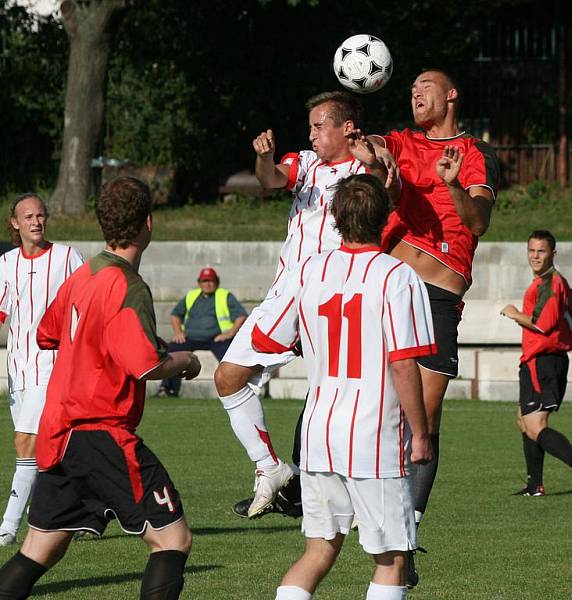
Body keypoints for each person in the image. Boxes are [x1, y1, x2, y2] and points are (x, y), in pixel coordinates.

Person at [0, 177, 202, 599]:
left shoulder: (85, 272)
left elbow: (46, 333)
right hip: (101, 432)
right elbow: (146, 366)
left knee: (40, 549)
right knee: (172, 540)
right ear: (149, 223)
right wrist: (185, 361)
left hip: (59, 434)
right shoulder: (127, 285)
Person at [253, 173, 434, 600]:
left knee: (318, 550)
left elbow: (267, 339)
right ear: (385, 216)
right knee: (391, 557)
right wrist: (422, 433)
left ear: (333, 216)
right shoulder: (397, 276)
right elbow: (405, 362)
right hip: (375, 435)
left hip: (320, 432)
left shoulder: (309, 269)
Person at [214, 91, 393, 518]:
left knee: (333, 399)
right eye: (310, 126)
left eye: (318, 126)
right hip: (288, 295)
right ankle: (275, 470)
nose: (311, 135)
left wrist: (374, 156)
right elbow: (271, 179)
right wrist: (266, 157)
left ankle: (321, 491)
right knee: (231, 378)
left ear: (346, 128)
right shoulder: (306, 164)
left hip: (330, 297)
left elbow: (388, 174)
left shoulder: (367, 168)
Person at [368, 68, 499, 585]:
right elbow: (379, 145)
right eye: (411, 88)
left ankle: (408, 530)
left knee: (425, 416)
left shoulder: (473, 153)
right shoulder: (403, 141)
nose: (415, 93)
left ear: (451, 94)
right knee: (381, 408)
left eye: (426, 86)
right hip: (391, 285)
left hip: (441, 293)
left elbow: (480, 222)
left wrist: (451, 185)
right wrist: (369, 148)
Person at [0, 193, 83, 547]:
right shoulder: (5, 262)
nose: (37, 221)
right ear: (15, 224)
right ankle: (85, 509)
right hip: (18, 369)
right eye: (28, 216)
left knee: (26, 443)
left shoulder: (67, 257)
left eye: (41, 215)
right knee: (55, 446)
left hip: (54, 365)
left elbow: (88, 302)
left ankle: (8, 527)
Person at [500, 230, 572, 498]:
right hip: (543, 360)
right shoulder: (559, 284)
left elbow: (542, 324)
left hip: (542, 360)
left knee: (535, 425)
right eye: (531, 250)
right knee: (524, 420)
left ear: (552, 254)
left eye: (541, 251)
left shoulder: (549, 283)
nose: (535, 256)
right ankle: (535, 485)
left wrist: (513, 313)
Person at [157, 267, 247, 397]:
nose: (207, 284)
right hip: (190, 338)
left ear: (217, 282)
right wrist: (178, 332)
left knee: (231, 358)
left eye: (211, 281)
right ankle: (167, 389)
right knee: (173, 352)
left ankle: (238, 389)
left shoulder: (224, 295)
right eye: (204, 281)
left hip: (216, 339)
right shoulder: (191, 296)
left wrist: (230, 334)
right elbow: (175, 315)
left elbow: (241, 315)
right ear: (199, 283)